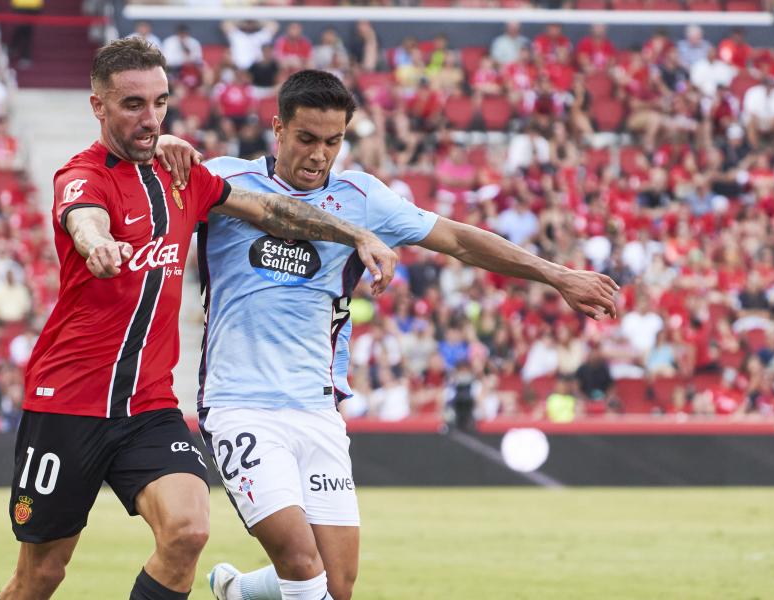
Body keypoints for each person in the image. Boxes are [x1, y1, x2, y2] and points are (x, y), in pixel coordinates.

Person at [155, 70, 618, 600]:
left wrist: (557, 275)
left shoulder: (363, 198)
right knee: (301, 565)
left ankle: (236, 592)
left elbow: (459, 241)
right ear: (278, 130)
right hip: (240, 405)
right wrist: (164, 146)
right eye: (306, 139)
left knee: (339, 583)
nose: (318, 155)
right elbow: (147, 179)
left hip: (316, 409)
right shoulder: (224, 180)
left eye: (333, 142)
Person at [0, 38, 396, 600]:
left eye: (160, 102)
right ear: (99, 106)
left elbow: (270, 209)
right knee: (41, 575)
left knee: (189, 530)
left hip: (150, 406)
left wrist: (356, 233)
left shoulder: (182, 177)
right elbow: (81, 215)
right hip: (68, 402)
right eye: (133, 104)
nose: (151, 117)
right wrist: (97, 243)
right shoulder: (83, 175)